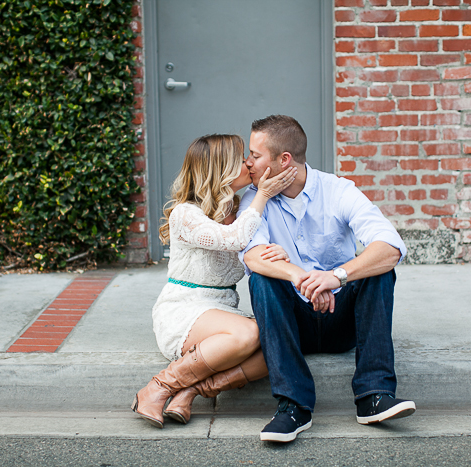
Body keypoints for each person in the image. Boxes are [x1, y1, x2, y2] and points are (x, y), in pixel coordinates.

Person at [238, 115, 416, 443]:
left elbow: (391, 246)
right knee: (261, 280)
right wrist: (307, 278)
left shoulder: (337, 190)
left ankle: (373, 396)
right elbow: (251, 255)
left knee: (379, 270)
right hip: (294, 322)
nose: (247, 162)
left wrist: (337, 276)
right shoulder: (255, 199)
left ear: (283, 160)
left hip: (341, 317)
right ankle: (293, 407)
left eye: (255, 154)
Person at [132, 134, 297, 428]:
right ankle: (158, 388)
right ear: (219, 169)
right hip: (185, 309)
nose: (249, 162)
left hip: (224, 311)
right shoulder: (186, 214)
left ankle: (192, 391)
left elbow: (253, 250)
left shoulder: (239, 211)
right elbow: (235, 240)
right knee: (248, 334)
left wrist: (278, 251)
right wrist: (262, 196)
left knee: (281, 340)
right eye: (241, 158)